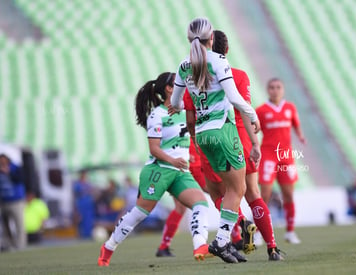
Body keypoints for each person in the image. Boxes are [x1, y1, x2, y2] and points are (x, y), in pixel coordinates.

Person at [170, 18, 264, 264]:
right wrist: (253, 116)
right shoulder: (219, 61)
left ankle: (223, 240)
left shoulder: (183, 67)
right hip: (223, 130)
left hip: (202, 136)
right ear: (211, 39)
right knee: (238, 189)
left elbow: (176, 104)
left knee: (226, 190)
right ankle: (222, 240)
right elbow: (234, 98)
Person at [98, 72, 211, 266]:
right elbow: (154, 149)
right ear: (169, 89)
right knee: (140, 213)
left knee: (201, 204)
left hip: (180, 172)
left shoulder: (186, 109)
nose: (183, 84)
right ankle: (108, 247)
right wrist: (173, 160)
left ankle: (200, 246)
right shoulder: (157, 115)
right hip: (159, 169)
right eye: (178, 82)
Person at [256, 78, 306, 244]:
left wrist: (300, 135)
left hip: (286, 157)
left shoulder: (290, 108)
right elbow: (253, 129)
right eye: (271, 87)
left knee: (289, 195)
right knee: (264, 195)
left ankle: (290, 232)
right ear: (267, 90)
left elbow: (296, 124)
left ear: (283, 90)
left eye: (278, 87)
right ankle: (257, 233)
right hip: (268, 156)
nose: (275, 90)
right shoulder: (261, 110)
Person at [0, 153, 26, 251]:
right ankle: (8, 245)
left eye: (3, 160)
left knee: (19, 224)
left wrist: (8, 172)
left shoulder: (15, 168)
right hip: (3, 201)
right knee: (5, 225)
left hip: (16, 200)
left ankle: (20, 245)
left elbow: (21, 179)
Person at [73, 170, 95, 239]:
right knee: (81, 219)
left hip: (88, 204)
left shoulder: (88, 184)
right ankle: (82, 235)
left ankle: (88, 234)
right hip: (81, 204)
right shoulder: (78, 185)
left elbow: (92, 192)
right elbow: (75, 195)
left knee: (88, 220)